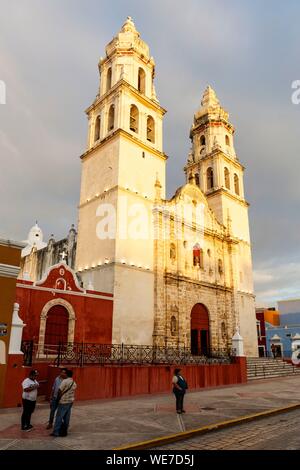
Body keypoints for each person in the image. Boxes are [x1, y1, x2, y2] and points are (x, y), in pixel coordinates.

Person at [50, 369, 77, 437]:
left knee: (59, 417)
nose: (62, 374)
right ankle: (65, 431)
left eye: (64, 373)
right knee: (67, 417)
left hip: (63, 401)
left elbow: (59, 391)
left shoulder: (64, 381)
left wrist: (58, 399)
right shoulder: (74, 382)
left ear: (66, 375)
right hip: (70, 401)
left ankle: (56, 432)